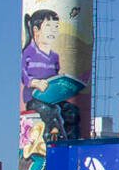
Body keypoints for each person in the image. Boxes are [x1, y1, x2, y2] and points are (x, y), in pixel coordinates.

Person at [21, 9, 80, 142]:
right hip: (34, 99)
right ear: (36, 30)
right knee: (52, 111)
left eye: (56, 27)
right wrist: (34, 82)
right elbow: (24, 75)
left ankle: (73, 142)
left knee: (72, 111)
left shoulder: (54, 56)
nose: (53, 30)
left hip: (52, 97)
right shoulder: (29, 52)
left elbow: (55, 75)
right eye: (48, 26)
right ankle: (54, 141)